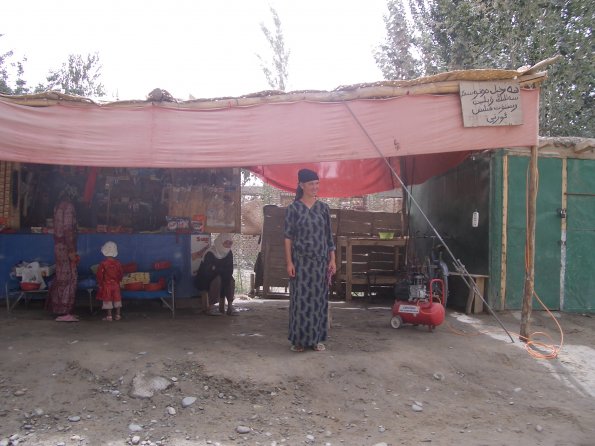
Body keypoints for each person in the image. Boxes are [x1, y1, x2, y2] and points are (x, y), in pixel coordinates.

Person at [284, 168, 336, 352]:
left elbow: (329, 237)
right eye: (311, 184)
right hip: (300, 264)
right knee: (300, 301)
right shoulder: (293, 209)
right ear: (301, 186)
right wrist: (289, 262)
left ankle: (316, 339)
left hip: (320, 263)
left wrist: (332, 260)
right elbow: (288, 237)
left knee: (318, 301)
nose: (315, 187)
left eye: (317, 183)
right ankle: (298, 341)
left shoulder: (323, 208)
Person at [46, 185, 80, 322]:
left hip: (59, 247)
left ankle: (60, 309)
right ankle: (65, 312)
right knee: (70, 278)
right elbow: (68, 230)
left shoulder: (58, 206)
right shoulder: (69, 207)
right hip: (66, 248)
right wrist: (72, 250)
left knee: (61, 277)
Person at [195, 233, 236, 316]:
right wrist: (220, 271)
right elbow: (208, 270)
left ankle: (230, 307)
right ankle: (210, 307)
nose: (228, 245)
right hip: (206, 277)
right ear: (220, 242)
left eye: (230, 243)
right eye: (226, 242)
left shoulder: (229, 253)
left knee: (230, 281)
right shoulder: (210, 253)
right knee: (217, 281)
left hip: (221, 274)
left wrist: (222, 272)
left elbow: (229, 268)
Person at [96, 241, 124, 321]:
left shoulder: (103, 264)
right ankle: (118, 315)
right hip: (116, 284)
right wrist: (119, 281)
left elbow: (99, 275)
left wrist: (100, 283)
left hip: (107, 285)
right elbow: (121, 274)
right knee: (117, 299)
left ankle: (109, 317)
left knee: (108, 300)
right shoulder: (118, 263)